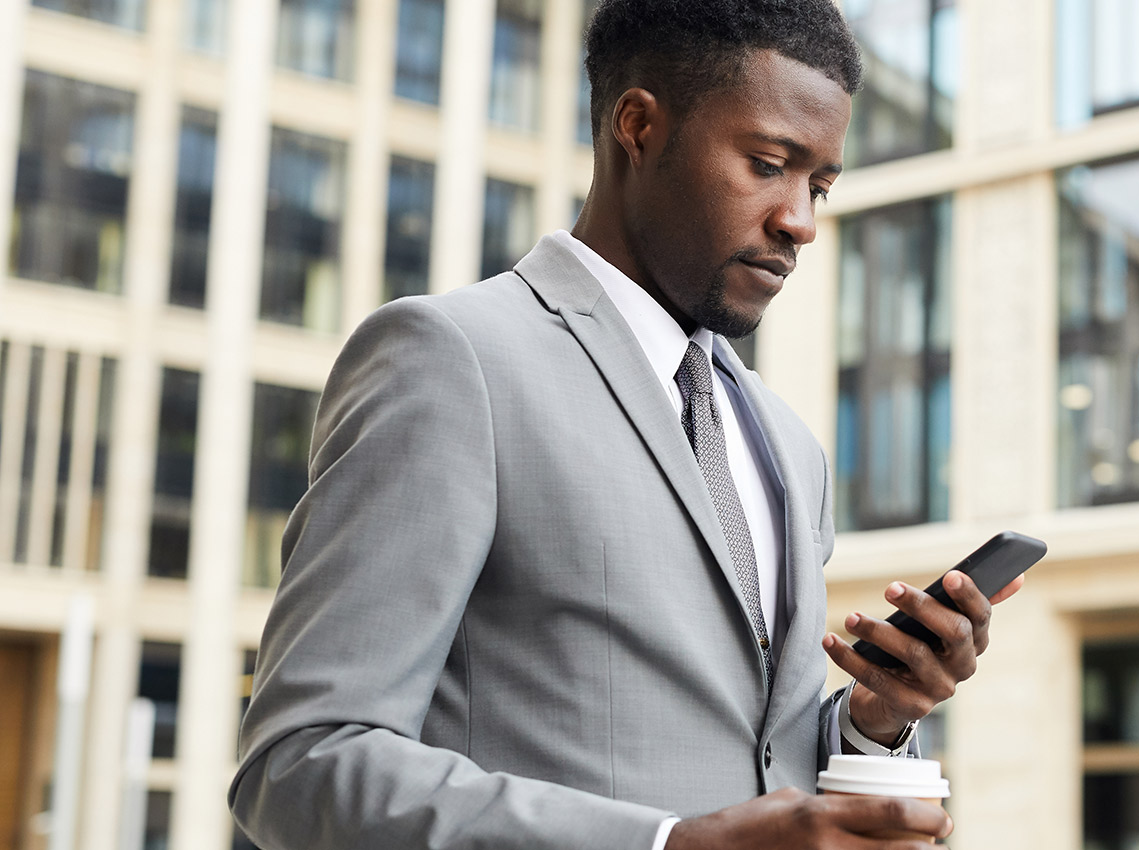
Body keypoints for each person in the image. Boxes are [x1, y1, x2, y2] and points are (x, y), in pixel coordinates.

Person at [229, 2, 1021, 847]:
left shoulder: (789, 445)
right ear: (637, 125)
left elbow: (757, 764)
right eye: (765, 165)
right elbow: (302, 762)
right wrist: (668, 845)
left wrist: (875, 716)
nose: (801, 222)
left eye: (819, 186)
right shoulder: (451, 358)